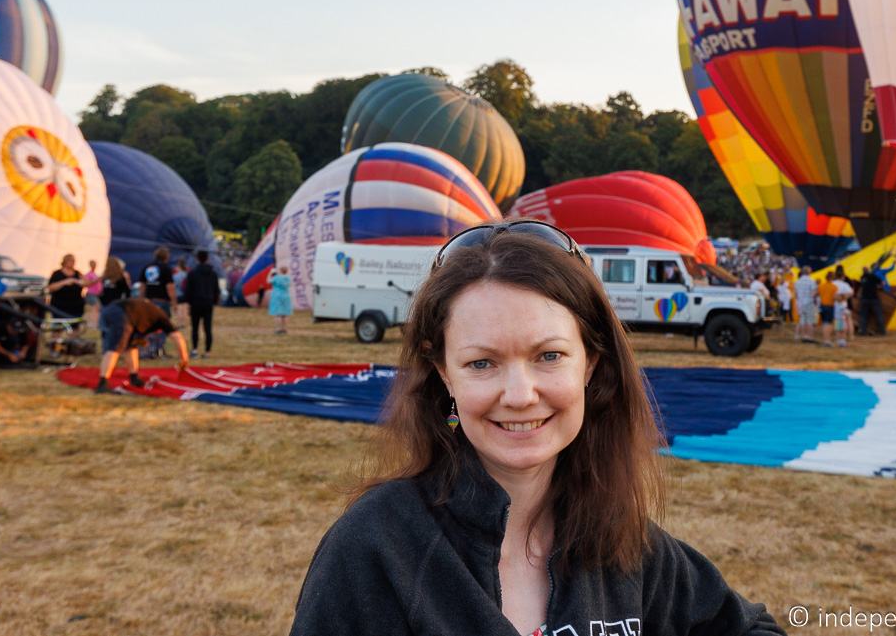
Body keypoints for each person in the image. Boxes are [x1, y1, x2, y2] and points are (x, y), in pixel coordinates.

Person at [289, 220, 784, 636]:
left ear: (590, 363)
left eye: (549, 356)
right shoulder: (377, 550)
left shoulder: (625, 546)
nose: (521, 394)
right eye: (482, 363)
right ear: (444, 374)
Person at [94, 297, 190, 393]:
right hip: (121, 314)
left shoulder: (148, 316)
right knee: (115, 348)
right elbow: (178, 337)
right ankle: (102, 384)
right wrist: (184, 359)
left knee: (131, 346)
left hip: (110, 311)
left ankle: (134, 377)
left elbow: (135, 342)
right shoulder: (162, 319)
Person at [184, 250, 220, 356]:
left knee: (195, 328)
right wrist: (214, 301)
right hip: (208, 303)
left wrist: (189, 302)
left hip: (195, 303)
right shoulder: (213, 274)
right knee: (208, 328)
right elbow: (216, 290)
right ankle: (207, 351)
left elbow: (188, 290)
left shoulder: (192, 273)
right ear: (207, 258)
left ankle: (194, 349)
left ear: (197, 259)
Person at [46, 254, 86, 320]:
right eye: (70, 260)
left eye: (73, 261)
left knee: (74, 326)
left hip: (76, 308)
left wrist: (77, 281)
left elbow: (86, 283)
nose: (72, 262)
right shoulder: (57, 273)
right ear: (65, 261)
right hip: (59, 308)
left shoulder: (78, 273)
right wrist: (65, 282)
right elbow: (50, 288)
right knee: (59, 327)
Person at [141, 247, 176, 315]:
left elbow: (142, 286)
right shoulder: (166, 268)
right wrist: (174, 302)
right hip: (162, 301)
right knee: (163, 323)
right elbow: (170, 287)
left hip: (149, 301)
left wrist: (141, 300)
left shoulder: (147, 267)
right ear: (166, 257)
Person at [857, 268, 885, 336]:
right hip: (874, 298)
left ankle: (862, 331)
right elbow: (882, 283)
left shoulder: (862, 277)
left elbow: (862, 286)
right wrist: (878, 287)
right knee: (879, 315)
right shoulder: (873, 276)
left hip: (864, 299)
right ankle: (882, 331)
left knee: (863, 316)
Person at [794, 265, 818, 342]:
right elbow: (814, 293)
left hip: (800, 302)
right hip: (809, 302)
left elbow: (795, 294)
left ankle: (797, 335)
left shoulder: (797, 281)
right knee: (810, 320)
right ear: (809, 272)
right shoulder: (812, 281)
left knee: (801, 320)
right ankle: (808, 336)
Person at [833, 271, 854, 348]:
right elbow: (851, 292)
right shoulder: (845, 285)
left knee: (838, 322)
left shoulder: (833, 283)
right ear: (843, 277)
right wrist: (844, 297)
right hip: (843, 305)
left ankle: (839, 339)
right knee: (844, 322)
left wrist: (837, 297)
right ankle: (843, 339)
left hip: (834, 305)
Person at [268, 266, 292, 334]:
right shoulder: (288, 278)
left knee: (277, 314)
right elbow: (289, 284)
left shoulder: (276, 278)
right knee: (285, 314)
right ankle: (284, 329)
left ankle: (278, 329)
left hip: (277, 296)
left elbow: (268, 281)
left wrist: (270, 273)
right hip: (286, 296)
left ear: (280, 271)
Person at [818, 271, 838, 346]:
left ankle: (825, 339)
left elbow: (815, 294)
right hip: (830, 306)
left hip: (822, 306)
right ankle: (827, 340)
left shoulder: (821, 285)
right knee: (829, 324)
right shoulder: (834, 287)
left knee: (824, 323)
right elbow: (835, 297)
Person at [82, 259, 103, 326]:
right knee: (97, 306)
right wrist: (96, 280)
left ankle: (95, 322)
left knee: (96, 308)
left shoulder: (95, 274)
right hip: (91, 294)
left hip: (97, 294)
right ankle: (92, 323)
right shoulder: (88, 274)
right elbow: (86, 284)